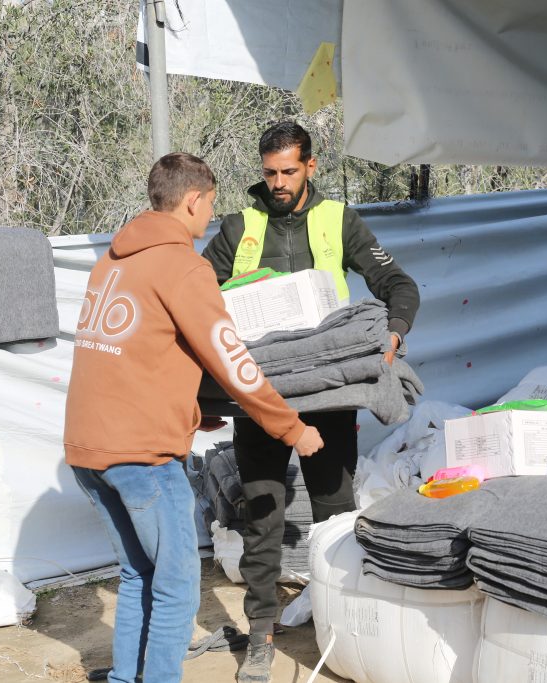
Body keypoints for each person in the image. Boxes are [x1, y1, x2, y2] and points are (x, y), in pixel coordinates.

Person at [63, 153, 324, 683]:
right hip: (142, 456)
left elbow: (131, 352)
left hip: (87, 449)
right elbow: (232, 361)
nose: (210, 215)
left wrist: (189, 410)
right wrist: (291, 427)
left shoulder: (113, 260)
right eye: (209, 205)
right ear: (192, 200)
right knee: (178, 586)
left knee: (138, 574)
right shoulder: (183, 266)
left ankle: (127, 678)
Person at [201, 122, 420, 682]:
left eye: (288, 171)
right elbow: (195, 300)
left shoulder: (338, 220)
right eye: (269, 172)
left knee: (335, 515)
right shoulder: (238, 228)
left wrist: (392, 335)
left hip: (327, 398)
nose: (278, 182)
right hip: (260, 397)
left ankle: (338, 628)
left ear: (310, 166)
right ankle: (260, 636)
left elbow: (399, 285)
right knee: (262, 518)